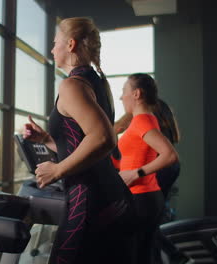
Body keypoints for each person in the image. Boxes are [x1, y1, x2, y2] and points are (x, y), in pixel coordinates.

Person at [23, 17, 137, 264]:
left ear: (71, 44)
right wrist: (45, 138)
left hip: (89, 201)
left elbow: (104, 139)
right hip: (111, 196)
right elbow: (84, 144)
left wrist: (56, 170)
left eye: (55, 43)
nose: (52, 50)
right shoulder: (96, 82)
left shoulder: (71, 85)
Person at [115, 73, 179, 264]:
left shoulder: (143, 120)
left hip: (142, 197)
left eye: (124, 91)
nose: (121, 97)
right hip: (143, 196)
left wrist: (136, 173)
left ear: (136, 94)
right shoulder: (141, 120)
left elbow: (169, 155)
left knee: (137, 255)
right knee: (143, 255)